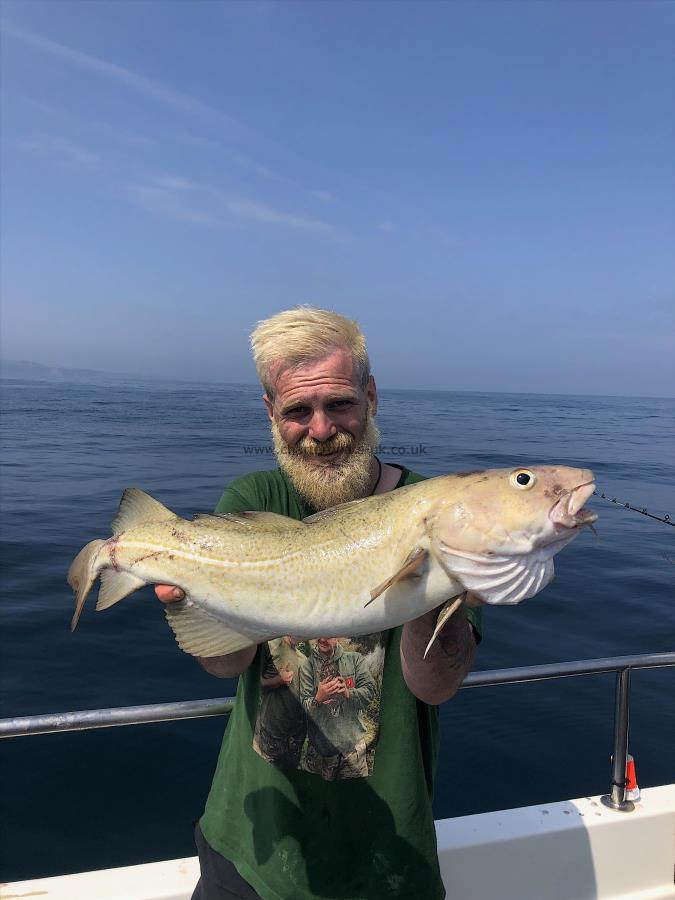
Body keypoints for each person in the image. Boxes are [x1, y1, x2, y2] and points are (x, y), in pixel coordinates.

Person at [156, 306, 481, 899]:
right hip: (251, 845)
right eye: (297, 411)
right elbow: (225, 663)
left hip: (388, 859)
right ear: (270, 414)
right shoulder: (256, 497)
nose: (322, 430)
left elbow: (435, 687)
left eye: (340, 404)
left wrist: (440, 588)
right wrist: (193, 600)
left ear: (372, 396)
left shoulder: (438, 510)